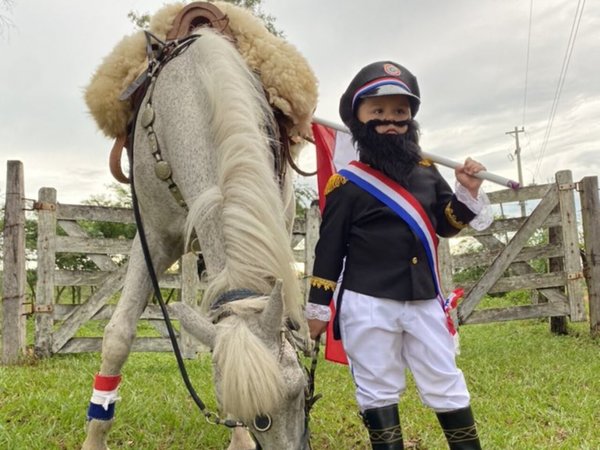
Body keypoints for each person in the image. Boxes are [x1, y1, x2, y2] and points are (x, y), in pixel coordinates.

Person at [305, 61, 492, 449]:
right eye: (378, 112)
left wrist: (468, 192)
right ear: (357, 119)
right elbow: (329, 251)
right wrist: (318, 310)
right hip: (367, 302)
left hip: (423, 299)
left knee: (445, 381)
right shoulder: (346, 184)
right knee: (378, 390)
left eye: (400, 113)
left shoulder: (427, 172)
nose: (390, 122)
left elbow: (447, 223)